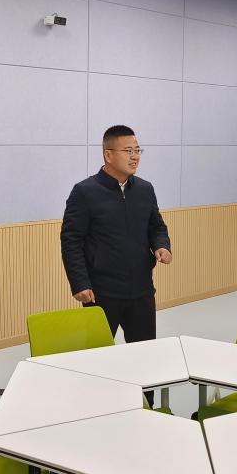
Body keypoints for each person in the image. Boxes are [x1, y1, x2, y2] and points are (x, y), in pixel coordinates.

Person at [61, 125, 172, 347]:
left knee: (145, 353)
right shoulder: (85, 192)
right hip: (101, 293)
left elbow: (156, 226)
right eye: (128, 151)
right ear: (108, 155)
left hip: (142, 290)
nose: (135, 156)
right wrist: (79, 283)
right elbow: (71, 241)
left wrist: (162, 245)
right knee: (96, 355)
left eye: (137, 150)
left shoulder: (145, 189)